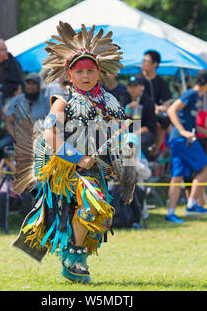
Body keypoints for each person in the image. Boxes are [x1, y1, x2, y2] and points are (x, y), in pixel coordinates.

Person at [11, 22, 135, 284]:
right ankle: (73, 258)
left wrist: (121, 156)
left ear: (99, 72)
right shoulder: (63, 101)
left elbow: (117, 134)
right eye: (80, 72)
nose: (86, 76)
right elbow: (49, 135)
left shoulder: (110, 101)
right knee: (93, 206)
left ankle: (74, 254)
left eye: (91, 70)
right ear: (69, 74)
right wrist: (78, 157)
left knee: (99, 214)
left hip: (94, 167)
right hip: (63, 167)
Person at [165, 69, 207, 223]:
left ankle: (170, 213)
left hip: (179, 140)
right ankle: (192, 204)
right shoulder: (191, 94)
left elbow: (188, 121)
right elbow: (171, 110)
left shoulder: (195, 97)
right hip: (182, 140)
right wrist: (182, 131)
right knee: (206, 166)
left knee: (177, 177)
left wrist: (204, 132)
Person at [139, 50, 172, 158]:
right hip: (140, 115)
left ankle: (157, 153)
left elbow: (167, 105)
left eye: (146, 61)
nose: (143, 63)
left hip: (156, 118)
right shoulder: (137, 80)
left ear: (155, 64)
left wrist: (159, 108)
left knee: (165, 121)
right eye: (143, 60)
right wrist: (154, 108)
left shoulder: (161, 82)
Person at [122, 75, 157, 160]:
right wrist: (127, 110)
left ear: (142, 87)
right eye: (130, 86)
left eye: (135, 86)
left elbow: (150, 125)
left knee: (139, 142)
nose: (132, 89)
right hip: (125, 131)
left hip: (143, 132)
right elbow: (121, 121)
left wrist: (136, 133)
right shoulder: (123, 98)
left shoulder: (148, 102)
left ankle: (139, 164)